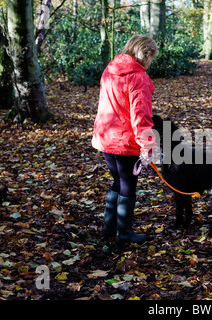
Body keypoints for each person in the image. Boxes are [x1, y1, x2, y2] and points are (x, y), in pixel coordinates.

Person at [91, 35, 158, 243]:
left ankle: (109, 229)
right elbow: (141, 116)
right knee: (128, 184)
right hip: (124, 141)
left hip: (105, 138)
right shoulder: (138, 77)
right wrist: (147, 145)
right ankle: (124, 234)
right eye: (151, 58)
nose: (150, 63)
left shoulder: (110, 69)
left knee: (118, 181)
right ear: (145, 54)